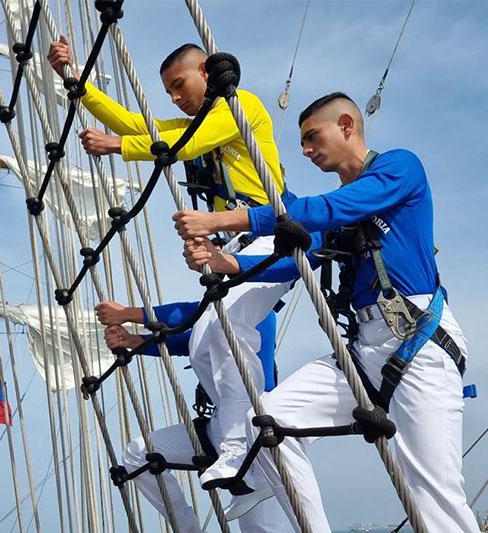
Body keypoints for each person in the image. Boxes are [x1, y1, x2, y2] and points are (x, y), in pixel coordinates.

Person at [177, 92, 479, 532]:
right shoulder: (336, 213)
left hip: (418, 344)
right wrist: (231, 264)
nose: (305, 150)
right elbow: (299, 253)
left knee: (434, 496)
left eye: (312, 137)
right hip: (361, 352)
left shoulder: (399, 167)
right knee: (267, 422)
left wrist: (224, 221)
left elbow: (324, 210)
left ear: (346, 125)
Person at [48, 37, 300, 498]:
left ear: (205, 71)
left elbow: (181, 145)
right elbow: (134, 120)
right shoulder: (199, 118)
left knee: (213, 334)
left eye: (179, 85)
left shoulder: (237, 106)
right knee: (214, 334)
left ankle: (243, 441)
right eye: (168, 92)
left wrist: (118, 146)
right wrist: (76, 81)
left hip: (264, 229)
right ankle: (239, 442)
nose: (175, 98)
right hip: (230, 243)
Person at [100, 301, 291, 532]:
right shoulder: (214, 315)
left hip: (259, 431)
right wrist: (134, 341)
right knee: (138, 454)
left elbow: (199, 314)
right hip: (221, 426)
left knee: (259, 526)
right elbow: (191, 339)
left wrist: (128, 314)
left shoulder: (259, 305)